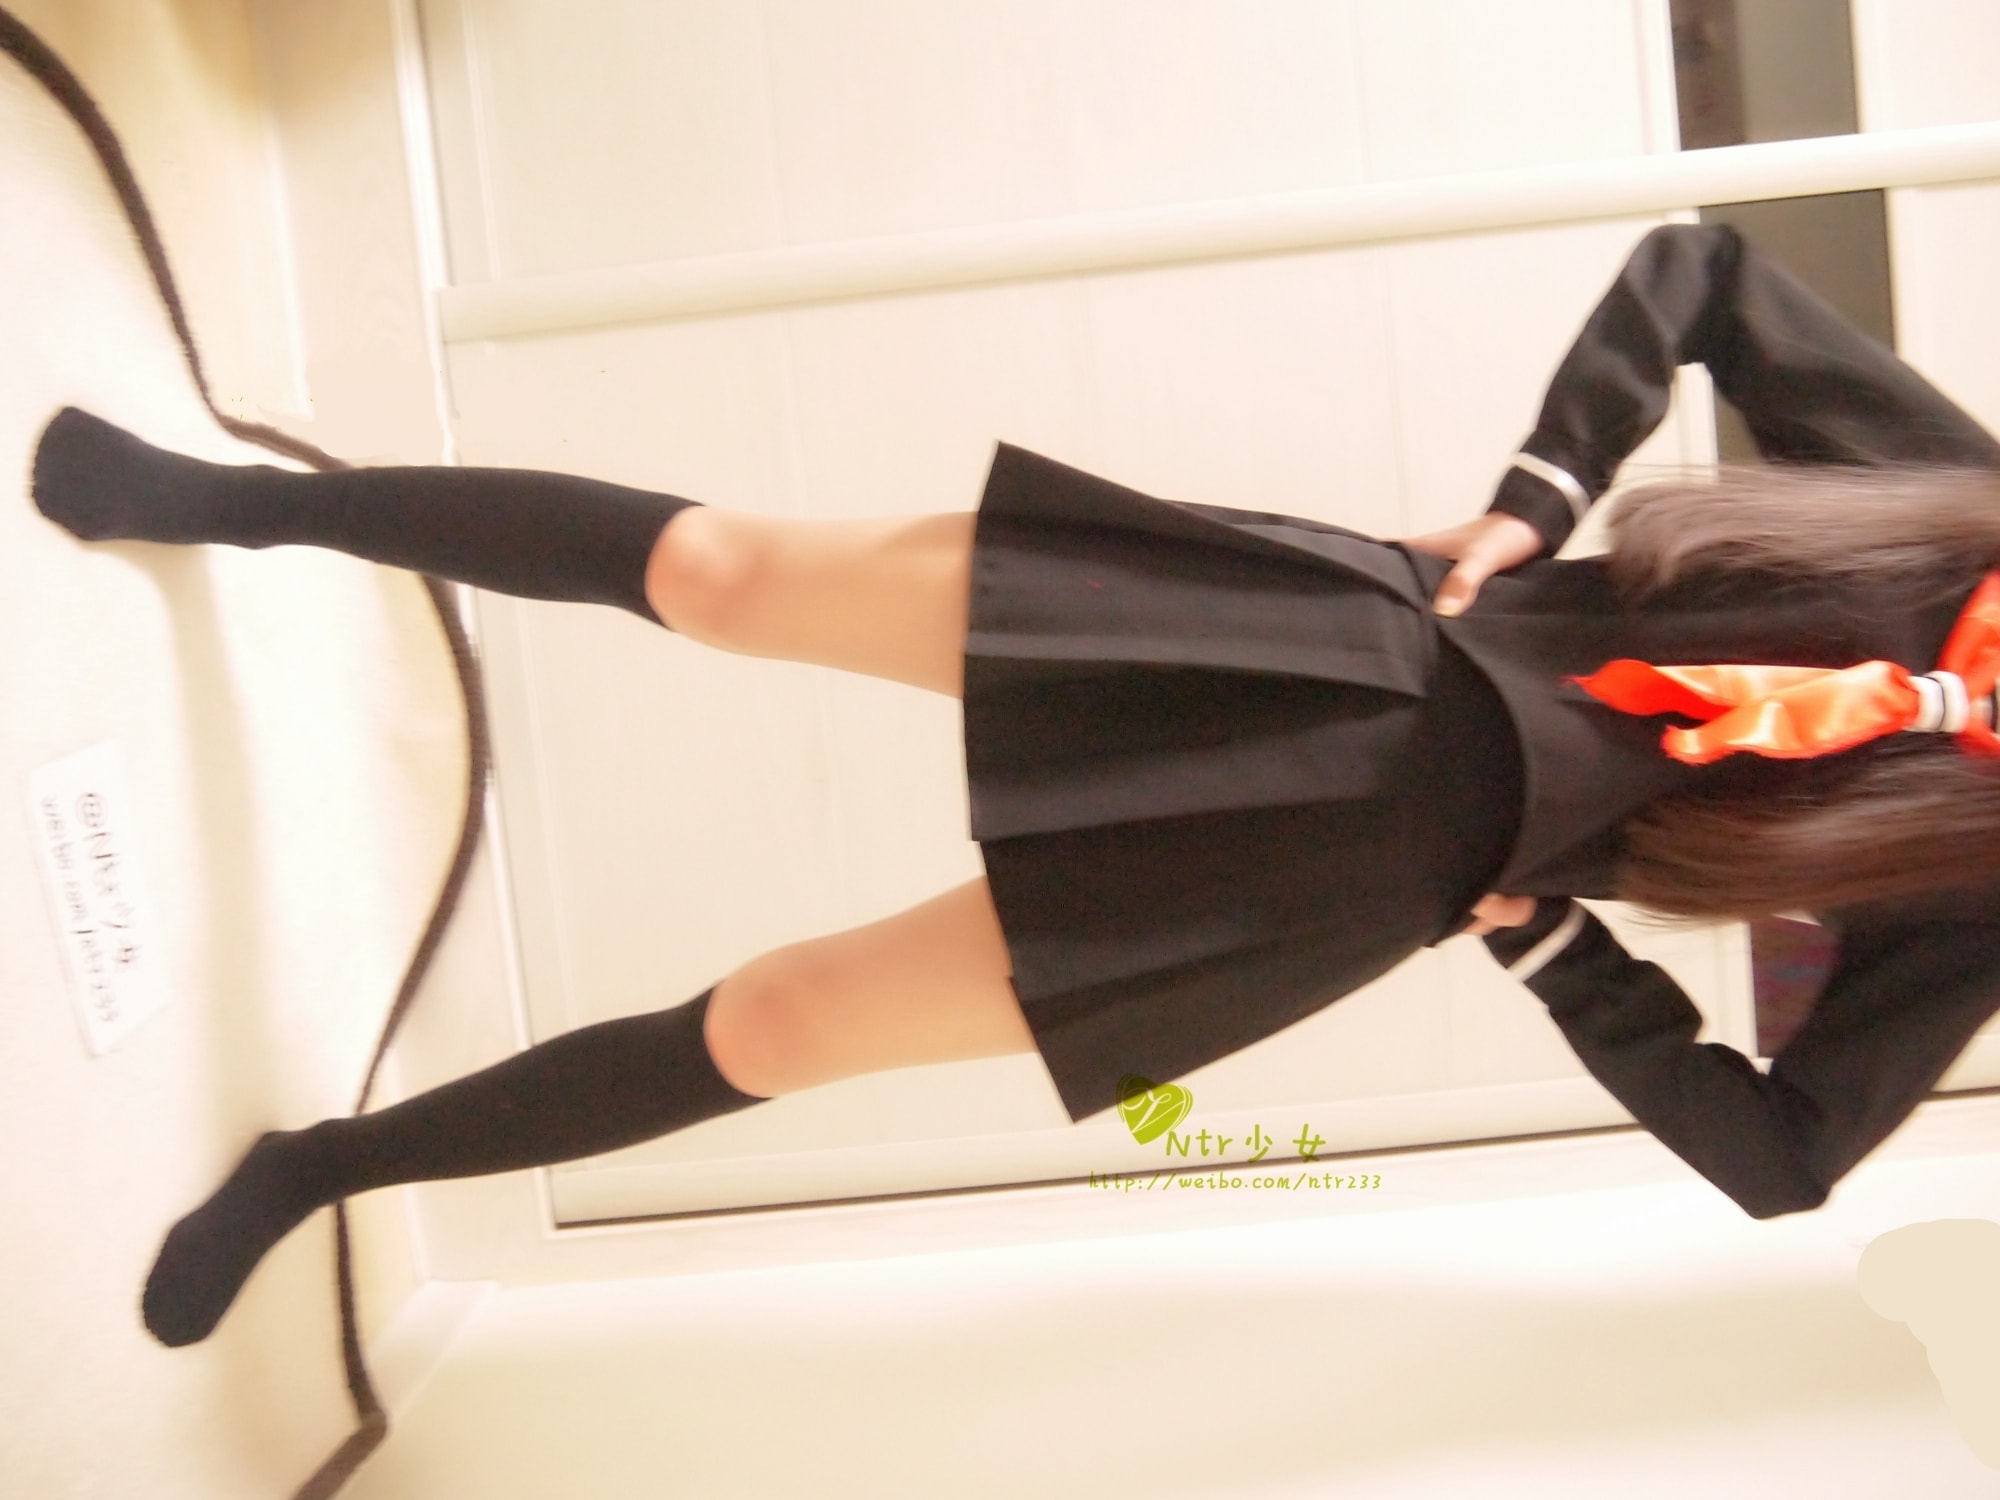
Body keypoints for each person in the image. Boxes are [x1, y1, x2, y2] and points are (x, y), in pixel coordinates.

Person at [30, 222, 2000, 1350]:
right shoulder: (1974, 516)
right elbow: (1704, 276)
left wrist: (1562, 955)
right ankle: (231, 503)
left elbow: (1784, 1157)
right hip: (1339, 635)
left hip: (1339, 882)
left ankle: (317, 1172)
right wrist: (1537, 498)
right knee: (725, 574)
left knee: (787, 1024)